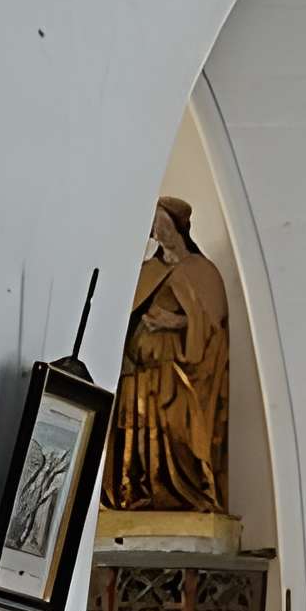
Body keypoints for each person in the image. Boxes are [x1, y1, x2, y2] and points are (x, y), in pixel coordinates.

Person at [105, 199, 230, 515]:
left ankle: (183, 494)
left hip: (176, 373)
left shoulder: (202, 271)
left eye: (163, 222)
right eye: (153, 223)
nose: (157, 230)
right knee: (136, 435)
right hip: (138, 372)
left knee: (177, 437)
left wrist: (178, 322)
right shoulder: (147, 271)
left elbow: (215, 327)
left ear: (179, 226)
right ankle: (134, 493)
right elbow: (121, 318)